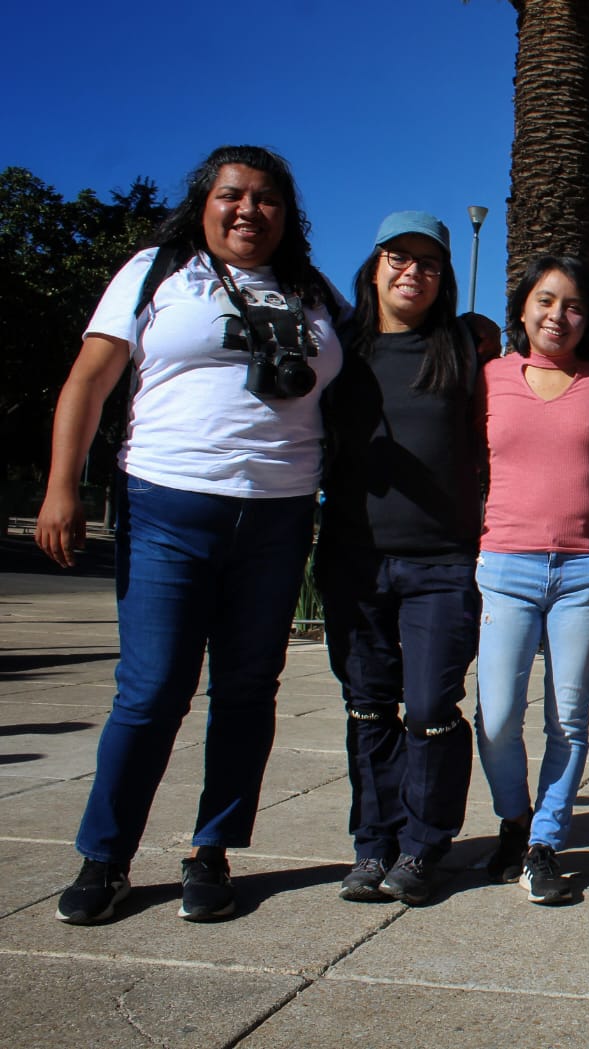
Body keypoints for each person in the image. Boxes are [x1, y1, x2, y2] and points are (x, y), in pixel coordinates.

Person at [38, 145, 343, 924]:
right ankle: (105, 856)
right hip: (168, 504)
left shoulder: (313, 294)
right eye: (232, 196)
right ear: (204, 202)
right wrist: (60, 487)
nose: (249, 211)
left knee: (246, 691)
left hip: (279, 517)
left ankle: (213, 849)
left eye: (267, 199)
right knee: (150, 691)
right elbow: (90, 378)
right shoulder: (157, 271)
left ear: (288, 212)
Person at [318, 211, 485, 906]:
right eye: (399, 258)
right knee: (367, 707)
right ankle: (373, 843)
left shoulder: (465, 349)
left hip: (440, 563)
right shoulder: (339, 348)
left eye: (429, 263)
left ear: (443, 279)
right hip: (354, 560)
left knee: (429, 706)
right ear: (375, 264)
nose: (412, 272)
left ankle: (423, 843)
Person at [474, 256, 589, 905]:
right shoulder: (491, 378)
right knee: (498, 714)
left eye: (574, 305)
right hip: (506, 565)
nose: (559, 315)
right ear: (523, 307)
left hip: (585, 568)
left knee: (569, 716)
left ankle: (544, 840)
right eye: (546, 300)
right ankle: (512, 815)